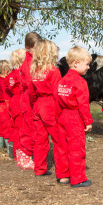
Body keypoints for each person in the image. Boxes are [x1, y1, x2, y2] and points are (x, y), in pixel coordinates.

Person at [56, 46, 93, 187]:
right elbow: (83, 104)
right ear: (76, 63)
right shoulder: (80, 82)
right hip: (74, 118)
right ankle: (78, 178)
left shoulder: (62, 81)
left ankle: (63, 176)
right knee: (77, 148)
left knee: (63, 148)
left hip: (63, 117)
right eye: (87, 64)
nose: (88, 67)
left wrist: (58, 117)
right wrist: (88, 121)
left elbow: (57, 101)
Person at [30, 39, 62, 177]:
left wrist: (35, 107)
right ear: (51, 53)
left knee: (40, 139)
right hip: (50, 105)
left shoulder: (35, 72)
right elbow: (57, 94)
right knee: (58, 139)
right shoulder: (53, 71)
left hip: (38, 105)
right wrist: (61, 112)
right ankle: (63, 171)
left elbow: (31, 93)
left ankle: (39, 169)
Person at [17, 32, 42, 165]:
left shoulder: (32, 60)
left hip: (29, 97)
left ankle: (25, 154)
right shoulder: (29, 63)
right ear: (28, 48)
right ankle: (25, 155)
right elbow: (30, 83)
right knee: (29, 127)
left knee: (30, 126)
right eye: (35, 48)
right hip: (29, 98)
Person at [7, 49, 28, 167]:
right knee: (22, 129)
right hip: (20, 101)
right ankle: (21, 156)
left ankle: (16, 155)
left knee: (15, 128)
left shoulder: (12, 73)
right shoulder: (21, 72)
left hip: (13, 101)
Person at [0, 60, 12, 153]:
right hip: (5, 106)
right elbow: (7, 96)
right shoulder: (5, 81)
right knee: (7, 128)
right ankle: (9, 151)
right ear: (6, 69)